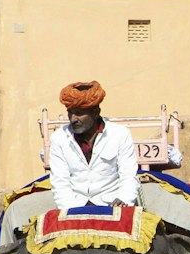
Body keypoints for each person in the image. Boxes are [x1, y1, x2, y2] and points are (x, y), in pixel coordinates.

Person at [47, 80, 139, 211]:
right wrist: (73, 211)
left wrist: (124, 200)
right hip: (74, 206)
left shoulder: (120, 134)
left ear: (96, 113)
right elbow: (60, 182)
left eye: (79, 113)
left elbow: (128, 175)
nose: (73, 119)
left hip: (111, 205)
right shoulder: (59, 138)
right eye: (70, 112)